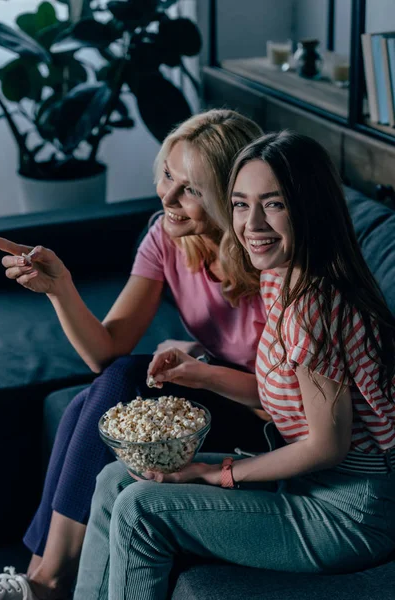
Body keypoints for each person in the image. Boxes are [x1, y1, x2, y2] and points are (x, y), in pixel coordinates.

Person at [71, 130, 395, 600]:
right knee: (117, 477)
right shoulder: (280, 279)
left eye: (275, 204)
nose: (253, 223)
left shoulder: (313, 305)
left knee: (143, 509)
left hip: (346, 512)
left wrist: (218, 473)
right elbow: (291, 402)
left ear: (311, 207)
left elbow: (327, 444)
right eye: (241, 204)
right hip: (304, 483)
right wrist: (199, 374)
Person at [0, 110, 272, 600]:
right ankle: (40, 573)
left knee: (122, 381)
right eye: (167, 174)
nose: (166, 197)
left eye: (190, 188)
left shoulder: (271, 257)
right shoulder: (167, 237)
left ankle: (47, 579)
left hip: (270, 423)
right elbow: (106, 351)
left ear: (233, 197)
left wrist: (204, 373)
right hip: (219, 391)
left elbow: (288, 401)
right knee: (96, 395)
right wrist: (61, 290)